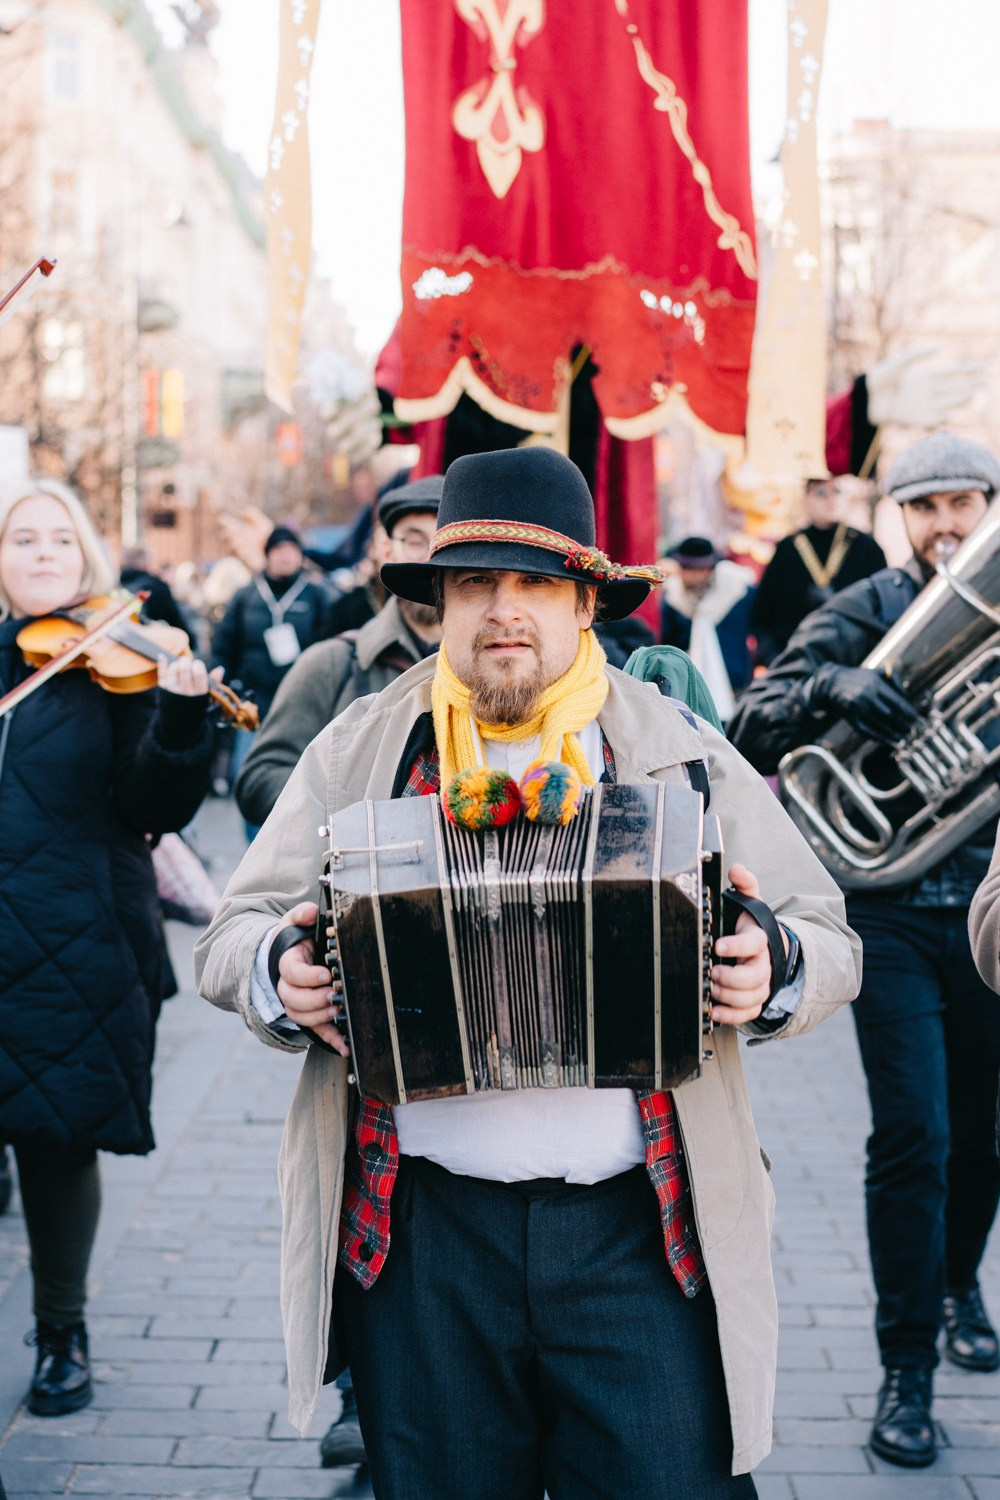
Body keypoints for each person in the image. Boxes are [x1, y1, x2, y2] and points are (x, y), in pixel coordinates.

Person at [196, 448, 860, 1497]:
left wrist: (771, 967)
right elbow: (227, 933)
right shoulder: (361, 748)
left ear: (585, 603)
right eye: (476, 582)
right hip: (423, 1242)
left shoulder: (677, 748)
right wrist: (279, 972)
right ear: (441, 602)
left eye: (536, 583)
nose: (505, 609)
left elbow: (826, 932)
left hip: (638, 1235)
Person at [728, 431, 1000, 1469]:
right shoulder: (862, 610)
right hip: (885, 910)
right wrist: (826, 691)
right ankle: (906, 1371)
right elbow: (752, 721)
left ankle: (954, 1282)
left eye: (962, 506)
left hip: (989, 906)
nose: (944, 525)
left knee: (981, 1135)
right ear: (897, 516)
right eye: (924, 506)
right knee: (915, 1138)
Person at [0, 478, 217, 1417]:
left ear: (86, 554)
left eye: (60, 538)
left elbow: (154, 807)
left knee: (55, 1139)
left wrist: (178, 715)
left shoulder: (120, 661)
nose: (43, 553)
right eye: (22, 539)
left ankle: (61, 1331)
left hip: (75, 937)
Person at [236, 477, 443, 841]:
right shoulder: (330, 665)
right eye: (415, 540)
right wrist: (345, 817)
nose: (429, 557)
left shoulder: (492, 673)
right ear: (384, 547)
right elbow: (259, 779)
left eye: (445, 542)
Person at [210, 525, 335, 836]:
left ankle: (293, 844)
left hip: (303, 708)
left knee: (298, 778)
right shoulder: (245, 596)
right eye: (279, 551)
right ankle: (256, 846)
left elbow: (329, 644)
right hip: (253, 706)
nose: (286, 557)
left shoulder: (317, 596)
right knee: (248, 776)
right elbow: (224, 645)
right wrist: (221, 681)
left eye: (292, 550)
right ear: (267, 556)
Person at [750, 477, 886, 667]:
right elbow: (762, 613)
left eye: (836, 491)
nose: (831, 499)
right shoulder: (788, 548)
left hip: (851, 665)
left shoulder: (865, 547)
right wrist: (774, 660)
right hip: (795, 665)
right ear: (806, 500)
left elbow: (884, 608)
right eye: (821, 493)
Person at [659, 536, 755, 722]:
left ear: (707, 569)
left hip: (735, 685)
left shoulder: (738, 592)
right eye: (683, 567)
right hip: (689, 687)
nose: (685, 575)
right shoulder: (673, 598)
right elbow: (668, 642)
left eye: (691, 569)